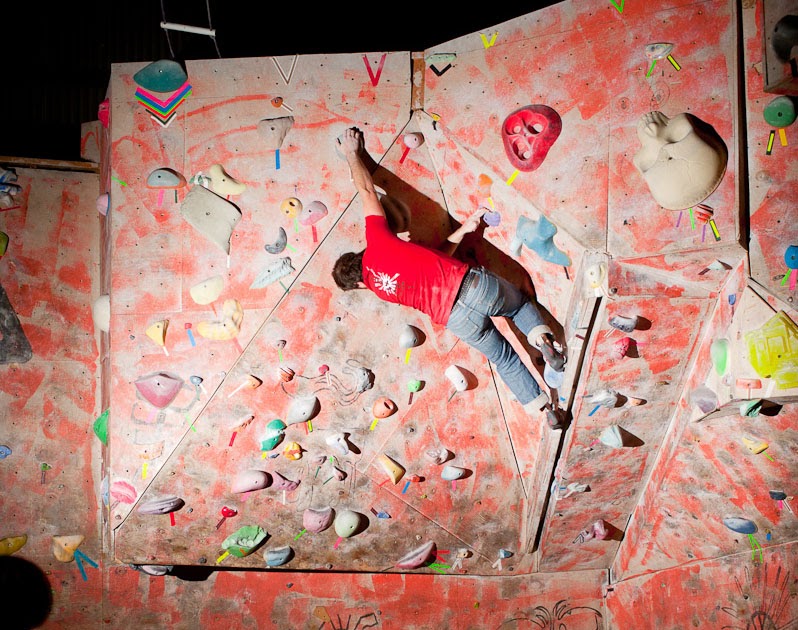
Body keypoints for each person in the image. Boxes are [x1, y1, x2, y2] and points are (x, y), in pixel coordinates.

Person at [332, 128, 567, 429]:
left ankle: (545, 409)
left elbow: (436, 255)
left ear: (360, 285)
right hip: (472, 286)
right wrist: (352, 153)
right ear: (358, 254)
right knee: (519, 307)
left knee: (504, 360)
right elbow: (366, 191)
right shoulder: (378, 240)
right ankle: (544, 342)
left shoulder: (380, 290)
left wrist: (463, 230)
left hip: (456, 319)